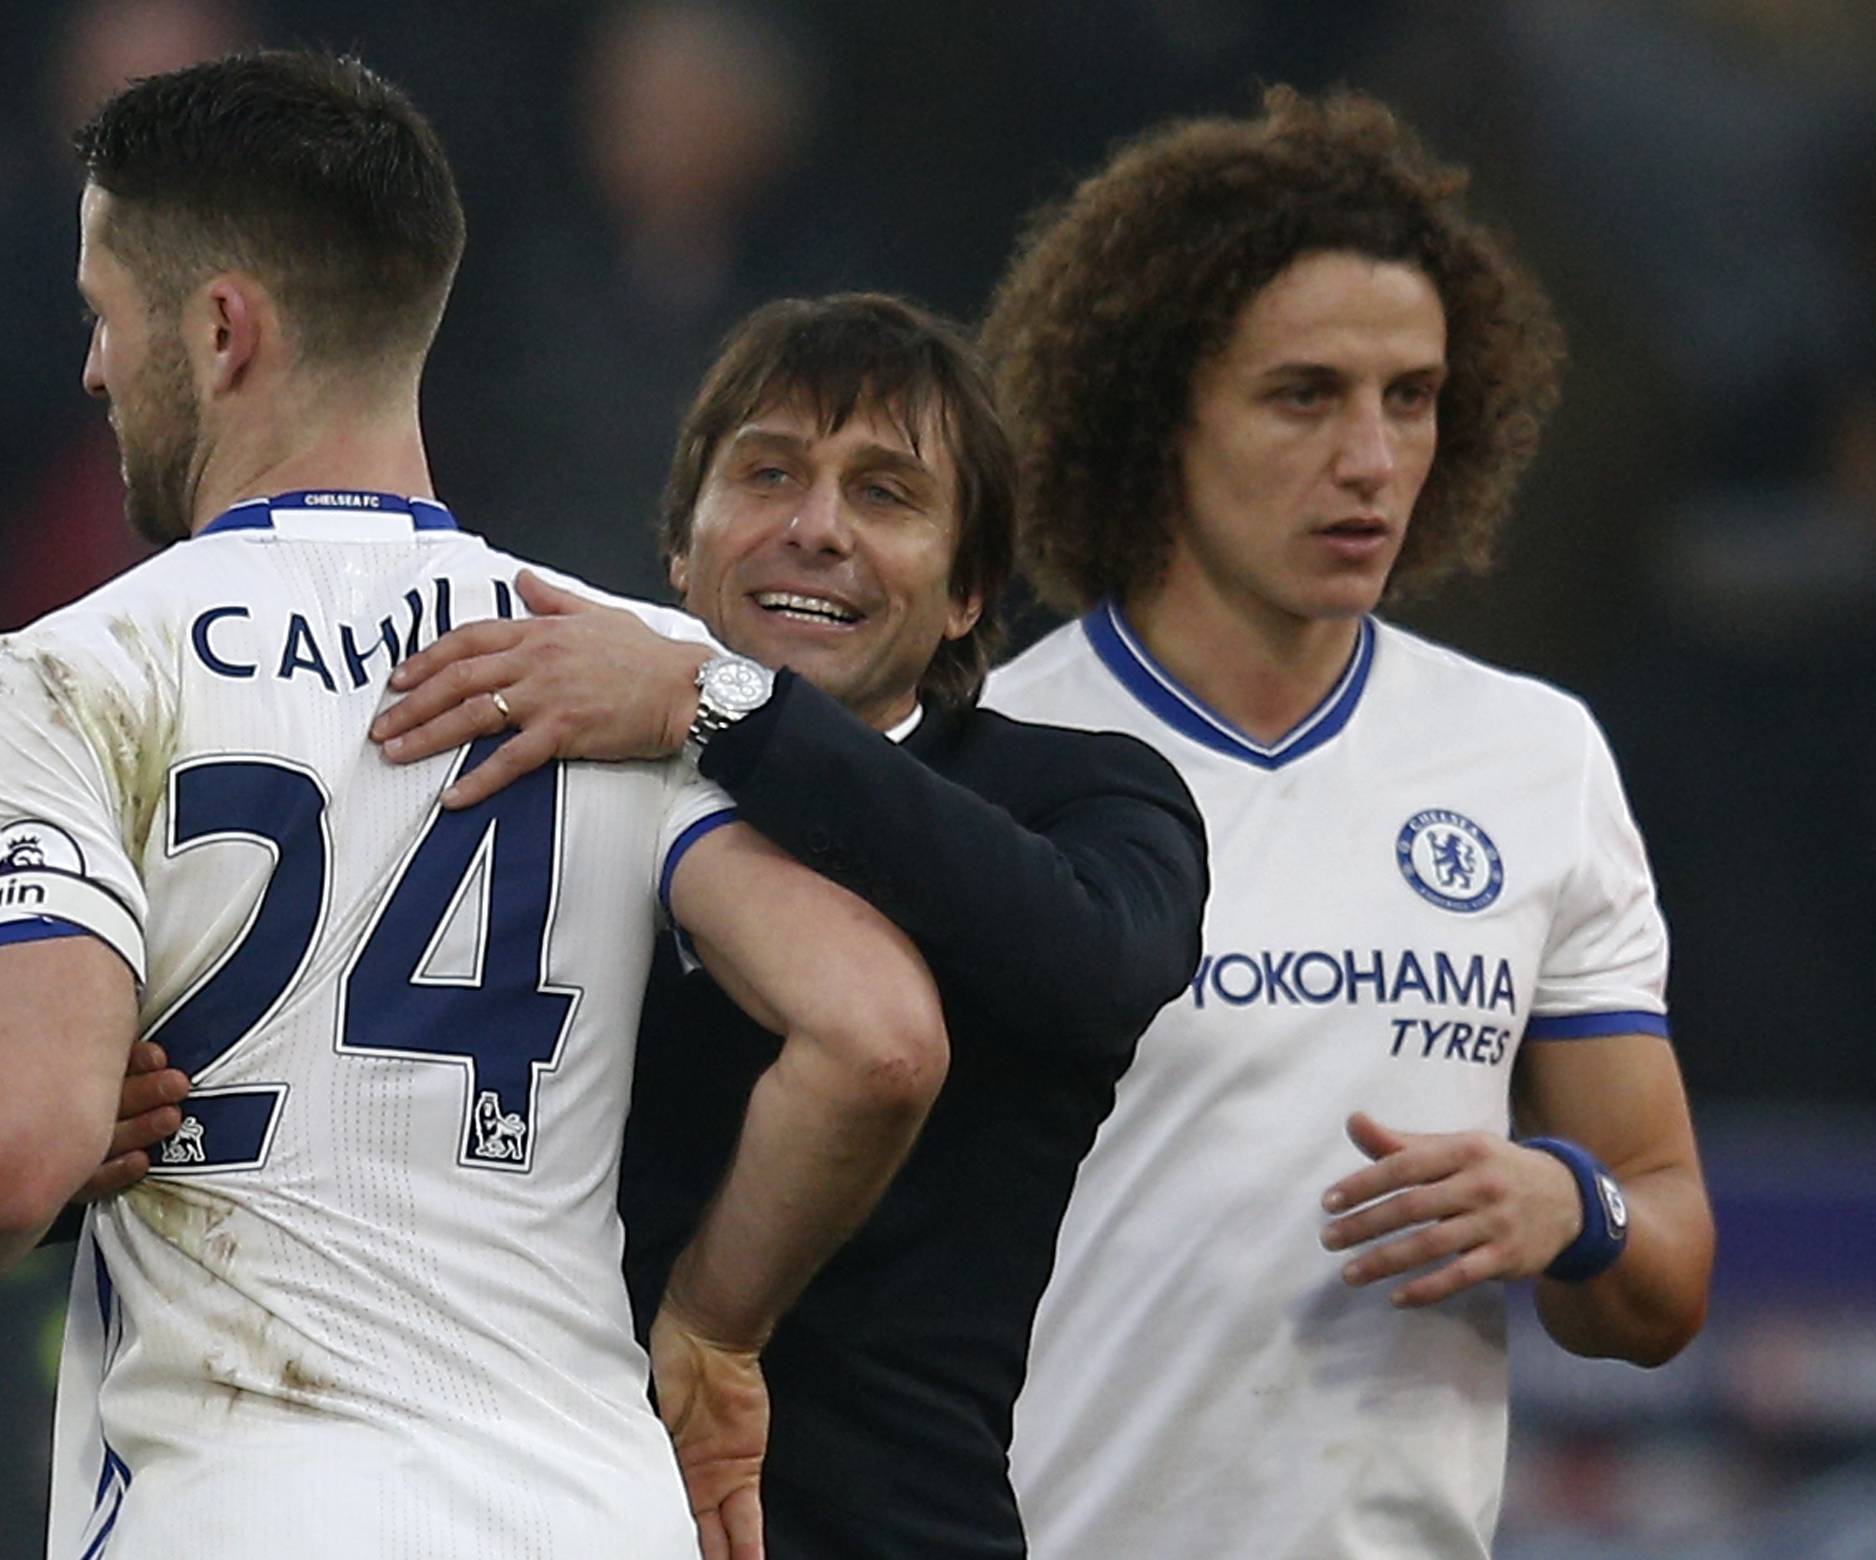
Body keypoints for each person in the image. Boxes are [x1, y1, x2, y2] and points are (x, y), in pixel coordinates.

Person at [0, 52, 949, 1560]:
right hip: (587, 1506)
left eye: (109, 318)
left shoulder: (75, 675)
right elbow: (878, 1035)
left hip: (240, 1504)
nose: (97, 372)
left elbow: (23, 1146)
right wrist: (710, 1331)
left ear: (223, 330)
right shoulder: (619, 666)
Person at [976, 84, 1715, 1558]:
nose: (1372, 459)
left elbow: (1664, 1258)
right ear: (1156, 408)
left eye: (1414, 397)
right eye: (1304, 394)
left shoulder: (1531, 760)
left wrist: (1566, 1209)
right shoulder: (990, 756)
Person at [365, 291, 1211, 1558]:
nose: (815, 529)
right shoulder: (525, 786)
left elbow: (1092, 968)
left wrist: (722, 709)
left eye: (886, 494)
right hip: (515, 1510)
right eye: (768, 474)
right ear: (681, 546)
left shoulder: (1080, 795)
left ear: (971, 591)